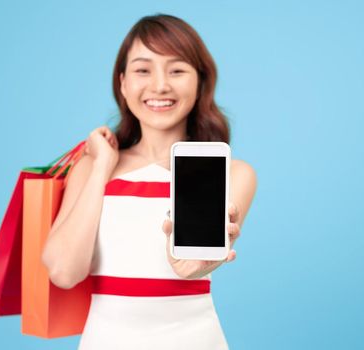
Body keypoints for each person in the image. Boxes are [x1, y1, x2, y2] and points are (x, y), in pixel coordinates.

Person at [41, 14, 257, 349]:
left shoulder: (232, 172)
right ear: (123, 83)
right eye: (144, 70)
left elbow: (195, 265)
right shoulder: (92, 168)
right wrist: (102, 167)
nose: (159, 86)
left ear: (200, 82)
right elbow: (63, 272)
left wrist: (196, 266)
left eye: (177, 70)